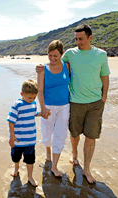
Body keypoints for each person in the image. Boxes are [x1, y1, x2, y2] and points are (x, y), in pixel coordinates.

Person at [36, 24, 110, 184]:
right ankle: (72, 156)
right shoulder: (70, 54)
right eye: (76, 39)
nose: (78, 42)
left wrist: (104, 97)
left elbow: (105, 76)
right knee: (71, 134)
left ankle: (86, 169)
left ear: (90, 37)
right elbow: (51, 65)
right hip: (73, 102)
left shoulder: (101, 55)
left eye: (81, 39)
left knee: (88, 136)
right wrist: (40, 67)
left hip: (90, 103)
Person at [37, 40, 70, 177]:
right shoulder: (43, 68)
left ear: (62, 54)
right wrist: (43, 108)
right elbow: (39, 90)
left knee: (60, 134)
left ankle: (54, 167)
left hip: (64, 106)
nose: (52, 59)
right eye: (50, 55)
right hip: (48, 106)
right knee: (47, 132)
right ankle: (48, 153)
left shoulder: (67, 66)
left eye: (55, 56)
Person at [7, 80, 41, 187]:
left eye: (34, 97)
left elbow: (33, 114)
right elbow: (10, 120)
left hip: (30, 140)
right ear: (22, 94)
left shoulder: (34, 104)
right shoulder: (17, 105)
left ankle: (30, 176)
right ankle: (16, 168)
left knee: (30, 160)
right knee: (16, 157)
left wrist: (42, 114)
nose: (32, 100)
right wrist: (12, 136)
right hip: (18, 140)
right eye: (29, 98)